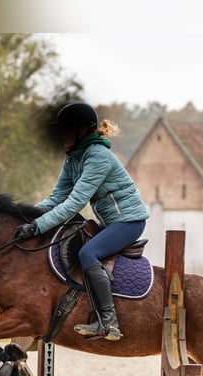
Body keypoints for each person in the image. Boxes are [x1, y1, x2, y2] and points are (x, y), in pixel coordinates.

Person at [15, 102, 149, 341]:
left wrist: (37, 226)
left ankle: (108, 322)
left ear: (83, 131)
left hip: (130, 221)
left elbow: (74, 203)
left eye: (67, 128)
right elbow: (56, 197)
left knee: (88, 254)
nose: (62, 134)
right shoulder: (72, 159)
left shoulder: (99, 157)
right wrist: (25, 215)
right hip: (111, 223)